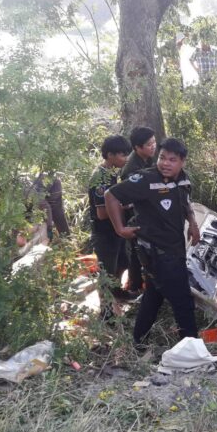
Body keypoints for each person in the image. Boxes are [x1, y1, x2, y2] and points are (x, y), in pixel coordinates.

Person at [104, 138, 201, 344]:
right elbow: (110, 195)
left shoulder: (184, 180)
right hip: (157, 252)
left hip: (175, 247)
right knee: (183, 301)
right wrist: (120, 229)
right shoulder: (145, 180)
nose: (165, 163)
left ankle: (138, 341)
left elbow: (185, 202)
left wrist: (192, 223)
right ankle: (192, 347)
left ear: (182, 161)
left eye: (172, 160)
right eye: (162, 158)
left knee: (153, 296)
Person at [88, 135, 132, 319]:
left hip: (115, 229)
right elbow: (102, 213)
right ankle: (105, 312)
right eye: (122, 155)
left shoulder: (112, 173)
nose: (126, 159)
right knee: (106, 272)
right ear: (110, 155)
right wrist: (125, 206)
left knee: (122, 262)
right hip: (105, 232)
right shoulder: (101, 178)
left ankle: (117, 292)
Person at [119, 127, 157, 297]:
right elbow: (128, 197)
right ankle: (135, 286)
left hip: (145, 211)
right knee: (136, 250)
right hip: (134, 214)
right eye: (149, 144)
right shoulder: (130, 169)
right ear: (137, 147)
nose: (153, 147)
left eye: (154, 142)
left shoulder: (148, 159)